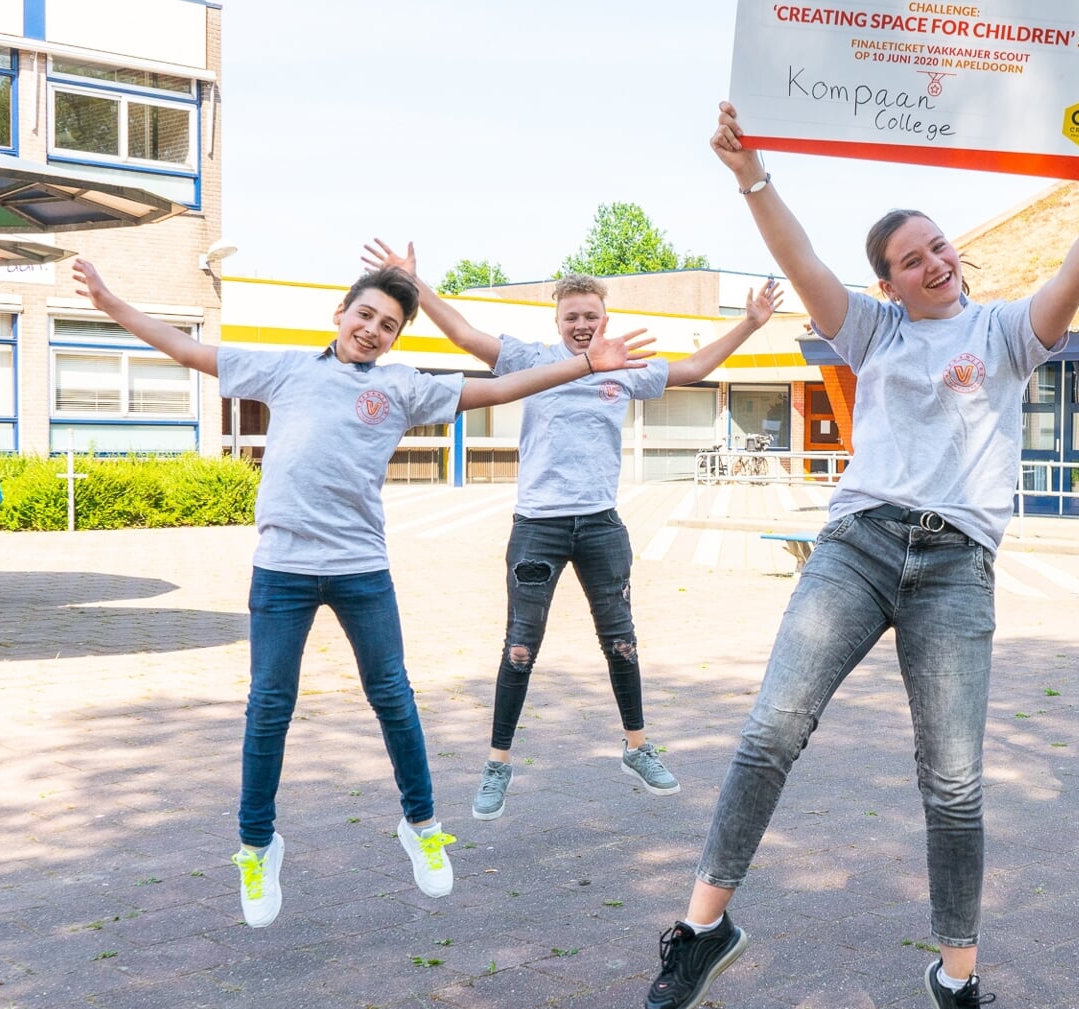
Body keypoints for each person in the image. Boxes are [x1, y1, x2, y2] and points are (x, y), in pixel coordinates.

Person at [643, 103, 1079, 1009]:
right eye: (913, 258)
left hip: (957, 566)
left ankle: (955, 978)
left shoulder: (1003, 331)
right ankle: (704, 929)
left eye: (940, 244)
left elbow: (1070, 282)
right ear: (890, 281)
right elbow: (802, 261)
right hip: (858, 545)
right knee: (770, 731)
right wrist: (751, 174)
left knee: (954, 781)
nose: (936, 261)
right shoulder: (873, 333)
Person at [70, 257, 655, 929]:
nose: (373, 330)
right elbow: (184, 346)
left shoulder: (402, 387)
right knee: (268, 706)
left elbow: (500, 389)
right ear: (340, 316)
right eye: (365, 316)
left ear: (398, 336)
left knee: (394, 698)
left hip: (361, 570)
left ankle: (422, 824)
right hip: (282, 571)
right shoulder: (287, 369)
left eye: (389, 324)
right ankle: (257, 845)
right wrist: (112, 300)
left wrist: (586, 365)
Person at [359, 240, 782, 817]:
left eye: (591, 316)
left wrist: (752, 324)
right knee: (519, 648)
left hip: (602, 526)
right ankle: (497, 763)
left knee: (622, 641)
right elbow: (461, 334)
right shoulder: (529, 359)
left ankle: (637, 746)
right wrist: (414, 283)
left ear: (605, 319)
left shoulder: (626, 369)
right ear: (556, 322)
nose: (582, 325)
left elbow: (695, 367)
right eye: (572, 317)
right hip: (538, 527)